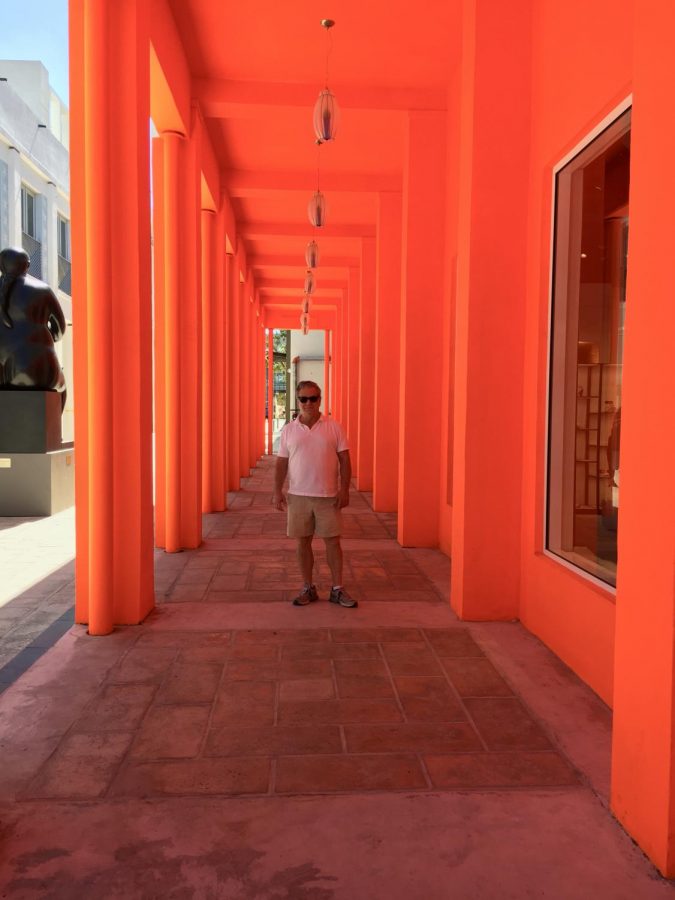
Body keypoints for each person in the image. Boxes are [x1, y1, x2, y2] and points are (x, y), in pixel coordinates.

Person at [272, 380, 357, 608]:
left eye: (313, 398)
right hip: (298, 495)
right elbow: (281, 463)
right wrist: (277, 491)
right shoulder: (289, 430)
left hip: (328, 496)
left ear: (320, 399)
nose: (308, 403)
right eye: (303, 399)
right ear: (298, 401)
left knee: (333, 543)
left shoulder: (334, 427)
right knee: (302, 543)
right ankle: (308, 587)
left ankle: (337, 588)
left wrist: (344, 488)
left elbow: (345, 460)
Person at [0, 247, 67, 409]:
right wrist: (47, 338)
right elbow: (60, 328)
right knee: (62, 388)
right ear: (27, 265)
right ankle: (53, 433)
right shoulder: (42, 290)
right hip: (34, 365)